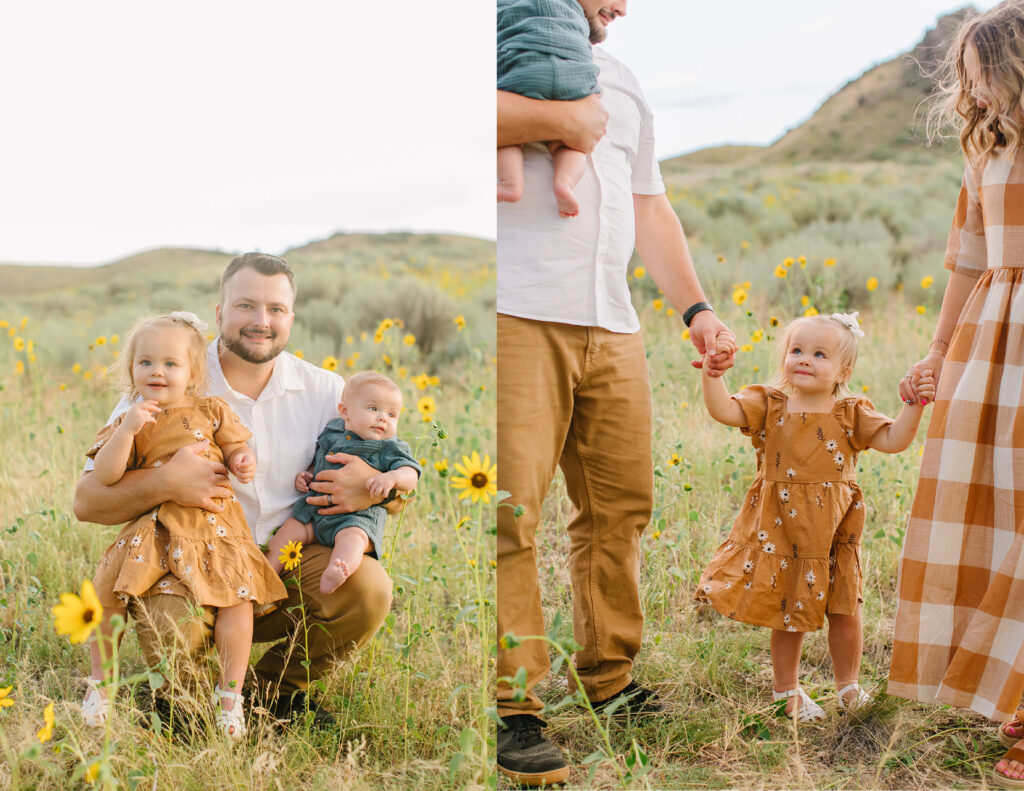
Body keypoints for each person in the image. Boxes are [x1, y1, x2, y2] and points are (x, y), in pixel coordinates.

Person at [496, 0, 737, 784]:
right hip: (517, 309)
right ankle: (517, 706)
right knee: (512, 516)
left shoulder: (625, 83)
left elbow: (648, 203)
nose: (622, 7)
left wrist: (696, 310)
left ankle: (609, 678)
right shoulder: (493, 50)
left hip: (612, 319)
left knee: (620, 506)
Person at [73, 253, 395, 728]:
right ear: (220, 312)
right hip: (187, 561)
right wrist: (165, 481)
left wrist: (369, 489)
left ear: (291, 317)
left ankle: (272, 694)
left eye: (276, 310)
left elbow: (393, 469)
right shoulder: (167, 375)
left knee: (367, 590)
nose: (261, 322)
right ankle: (186, 698)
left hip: (281, 562)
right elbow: (87, 502)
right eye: (246, 306)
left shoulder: (327, 391)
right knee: (168, 620)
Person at [886, 3, 1024, 785]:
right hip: (996, 343)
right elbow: (967, 260)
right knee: (1002, 514)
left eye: (981, 75)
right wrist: (939, 351)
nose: (969, 93)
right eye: (965, 79)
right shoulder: (985, 147)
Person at [696, 313, 932, 720]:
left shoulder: (850, 413)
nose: (804, 359)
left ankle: (848, 688)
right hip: (784, 528)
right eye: (797, 350)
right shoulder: (770, 404)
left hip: (834, 530)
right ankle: (785, 691)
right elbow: (724, 411)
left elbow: (895, 440)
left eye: (819, 354)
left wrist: (915, 405)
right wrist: (712, 375)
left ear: (844, 370)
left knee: (846, 609)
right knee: (791, 614)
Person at [82, 311, 286, 738]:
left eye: (171, 364)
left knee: (238, 601)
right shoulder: (132, 418)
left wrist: (241, 460)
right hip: (156, 527)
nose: (157, 371)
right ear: (132, 368)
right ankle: (102, 684)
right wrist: (126, 433)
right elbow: (103, 476)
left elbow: (236, 447)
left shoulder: (211, 409)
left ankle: (230, 696)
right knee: (110, 594)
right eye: (146, 362)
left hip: (215, 529)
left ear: (193, 372)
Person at [266, 371, 421, 595]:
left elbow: (411, 474)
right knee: (290, 529)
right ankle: (266, 574)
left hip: (355, 517)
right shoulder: (332, 432)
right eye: (373, 408)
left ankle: (338, 568)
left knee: (353, 538)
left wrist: (392, 477)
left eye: (392, 414)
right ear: (345, 412)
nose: (383, 418)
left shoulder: (389, 447)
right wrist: (307, 475)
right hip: (314, 513)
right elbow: (320, 459)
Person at [496, 0, 601, 218]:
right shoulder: (572, 9)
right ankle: (565, 182)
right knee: (572, 145)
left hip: (526, 66)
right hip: (575, 71)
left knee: (511, 133)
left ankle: (510, 183)